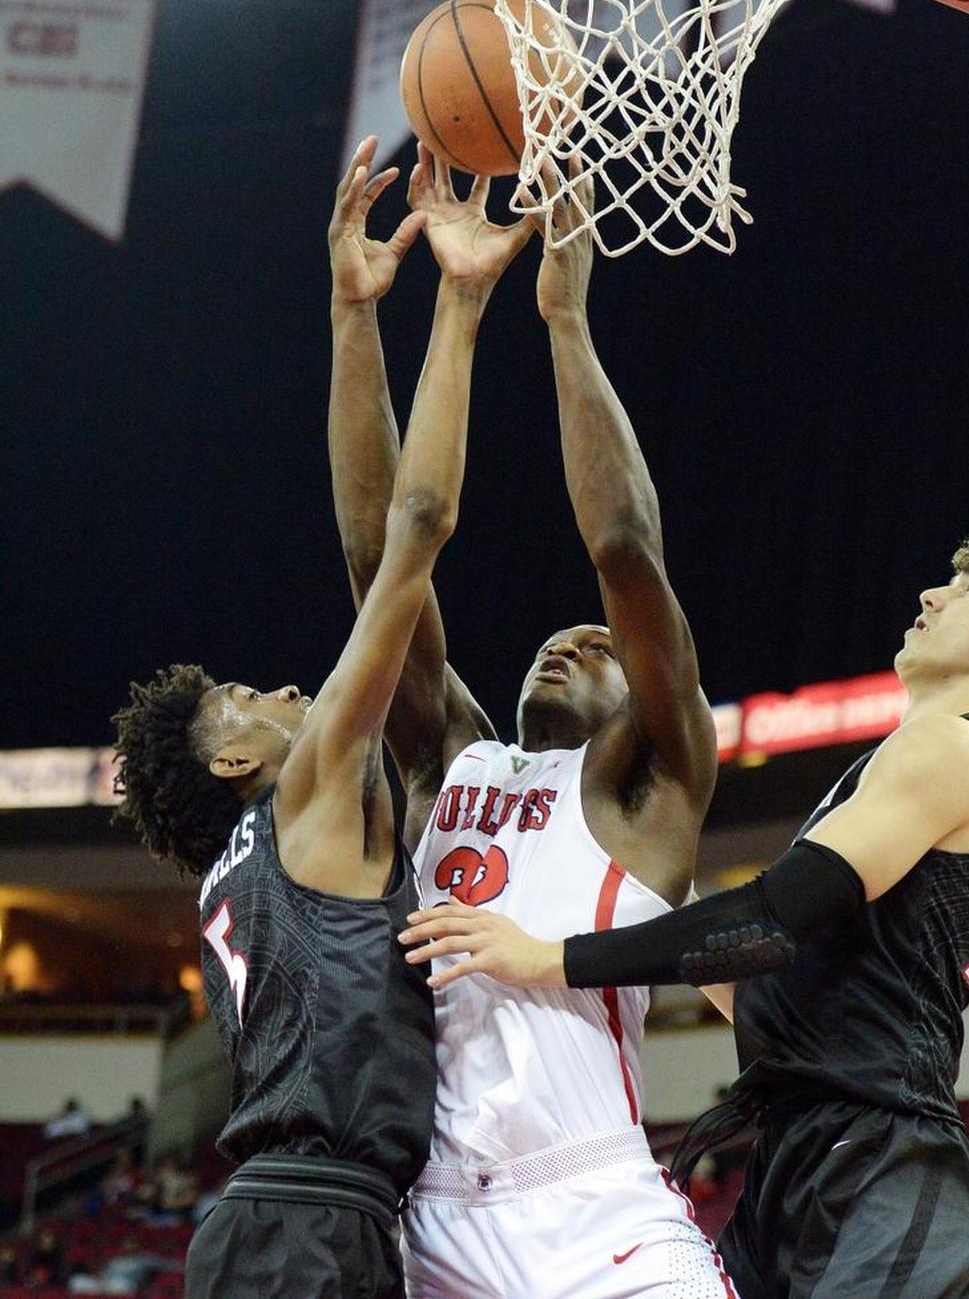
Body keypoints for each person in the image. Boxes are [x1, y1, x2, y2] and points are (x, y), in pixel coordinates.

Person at [401, 530, 969, 1298]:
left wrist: (551, 957)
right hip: (798, 1155)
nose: (931, 596)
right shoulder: (899, 763)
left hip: (883, 1158)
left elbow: (771, 918)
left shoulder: (964, 747)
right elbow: (775, 985)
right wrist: (651, 888)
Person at [111, 139, 527, 1299]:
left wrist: (354, 315)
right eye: (250, 700)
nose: (287, 690)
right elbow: (414, 531)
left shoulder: (256, 858)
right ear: (238, 758)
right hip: (312, 1225)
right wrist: (460, 302)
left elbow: (377, 547)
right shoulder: (303, 800)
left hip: (297, 1221)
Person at [330, 155, 738, 1297]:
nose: (573, 642)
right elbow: (382, 558)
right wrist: (364, 317)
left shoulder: (645, 786)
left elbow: (626, 552)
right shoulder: (450, 758)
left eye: (600, 647)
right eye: (560, 639)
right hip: (434, 1217)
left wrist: (564, 318)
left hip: (596, 1203)